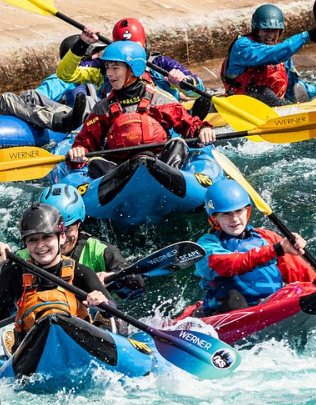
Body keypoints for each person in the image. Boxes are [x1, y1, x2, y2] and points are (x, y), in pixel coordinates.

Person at [65, 41, 216, 179]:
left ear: (133, 69)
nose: (109, 73)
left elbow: (190, 125)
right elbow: (85, 142)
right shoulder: (103, 108)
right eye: (108, 68)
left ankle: (169, 179)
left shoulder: (160, 100)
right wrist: (78, 151)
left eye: (115, 68)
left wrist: (203, 130)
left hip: (161, 164)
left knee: (178, 144)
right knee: (95, 162)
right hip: (120, 171)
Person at [0, 204, 111, 344]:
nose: (40, 245)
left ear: (62, 237)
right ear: (26, 243)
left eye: (46, 237)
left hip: (77, 345)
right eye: (33, 239)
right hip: (34, 350)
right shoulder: (16, 275)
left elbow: (111, 308)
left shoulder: (79, 272)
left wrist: (101, 303)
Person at [194, 180, 316, 314]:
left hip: (269, 305)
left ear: (247, 211)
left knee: (294, 291)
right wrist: (276, 249)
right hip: (227, 312)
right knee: (235, 299)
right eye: (226, 214)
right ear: (215, 218)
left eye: (239, 211)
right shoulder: (206, 246)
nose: (234, 218)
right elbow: (230, 264)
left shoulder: (268, 237)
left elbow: (302, 275)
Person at [38, 184, 145, 299]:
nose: (61, 240)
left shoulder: (99, 251)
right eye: (51, 232)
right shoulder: (27, 254)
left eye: (67, 229)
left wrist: (114, 279)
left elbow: (137, 288)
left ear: (79, 224)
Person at [57, 19, 203, 102]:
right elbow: (66, 75)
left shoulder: (161, 64)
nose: (130, 53)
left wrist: (184, 81)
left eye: (134, 47)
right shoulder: (104, 66)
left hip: (160, 123)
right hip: (117, 125)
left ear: (144, 44)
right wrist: (82, 43)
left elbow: (198, 92)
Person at [220, 4, 316, 106]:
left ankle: (292, 106)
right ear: (256, 30)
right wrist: (307, 36)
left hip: (274, 103)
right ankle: (286, 109)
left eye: (274, 30)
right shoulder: (243, 46)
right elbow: (272, 55)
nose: (270, 35)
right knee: (263, 92)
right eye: (265, 30)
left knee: (296, 86)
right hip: (241, 104)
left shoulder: (282, 54)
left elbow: (293, 83)